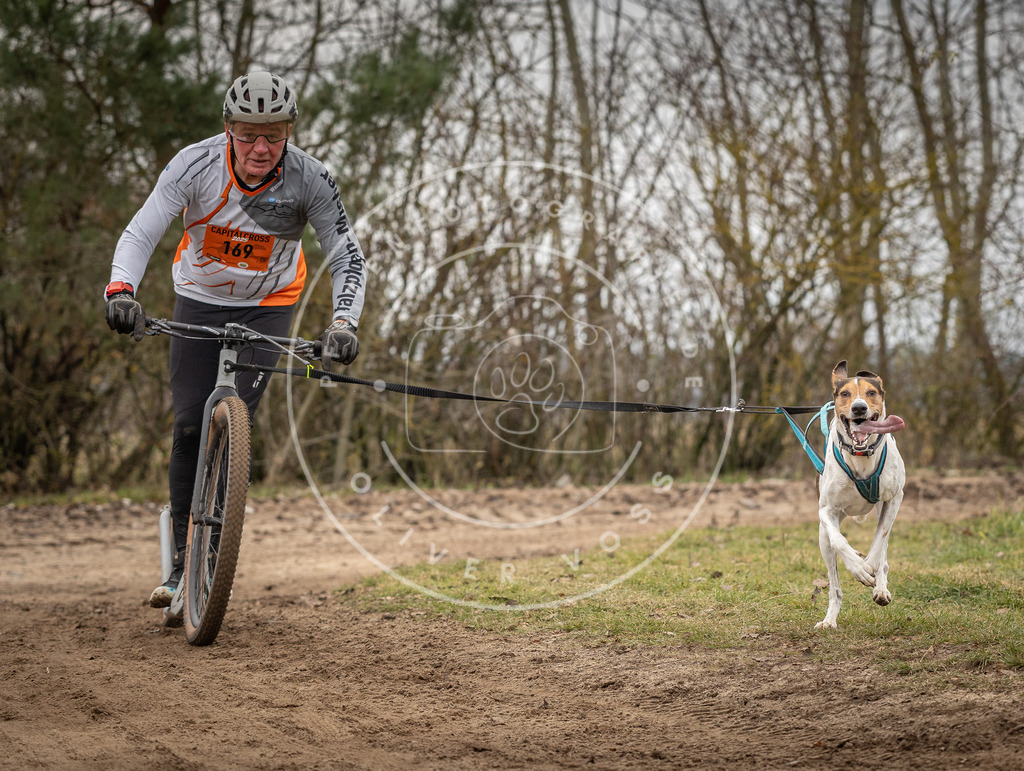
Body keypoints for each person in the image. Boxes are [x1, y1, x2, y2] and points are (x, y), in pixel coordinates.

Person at [104, 71, 365, 608]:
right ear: (228, 129)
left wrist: (343, 323)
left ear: (290, 131)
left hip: (269, 307)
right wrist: (121, 290)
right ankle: (180, 562)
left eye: (274, 133)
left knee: (233, 420)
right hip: (198, 298)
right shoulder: (194, 163)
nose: (261, 147)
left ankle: (214, 550)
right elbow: (142, 230)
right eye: (247, 134)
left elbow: (346, 255)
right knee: (188, 422)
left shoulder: (311, 178)